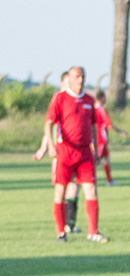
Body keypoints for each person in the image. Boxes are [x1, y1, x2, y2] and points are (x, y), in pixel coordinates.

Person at [45, 66, 108, 242]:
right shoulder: (60, 98)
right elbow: (49, 123)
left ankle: (93, 232)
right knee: (61, 191)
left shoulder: (89, 100)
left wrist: (95, 149)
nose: (80, 80)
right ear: (69, 79)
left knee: (91, 190)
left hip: (85, 153)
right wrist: (50, 144)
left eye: (83, 76)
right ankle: (61, 232)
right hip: (65, 151)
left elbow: (94, 126)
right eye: (77, 76)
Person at [35, 72, 82, 234]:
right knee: (61, 190)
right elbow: (48, 129)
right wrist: (44, 148)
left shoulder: (74, 101)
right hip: (60, 153)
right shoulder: (59, 99)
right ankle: (61, 226)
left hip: (75, 153)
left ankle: (70, 223)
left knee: (75, 188)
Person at [94, 90, 128, 186]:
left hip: (98, 139)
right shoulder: (101, 110)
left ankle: (109, 181)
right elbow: (109, 125)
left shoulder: (92, 109)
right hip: (100, 139)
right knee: (95, 161)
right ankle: (87, 179)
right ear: (102, 98)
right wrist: (121, 131)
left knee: (106, 160)